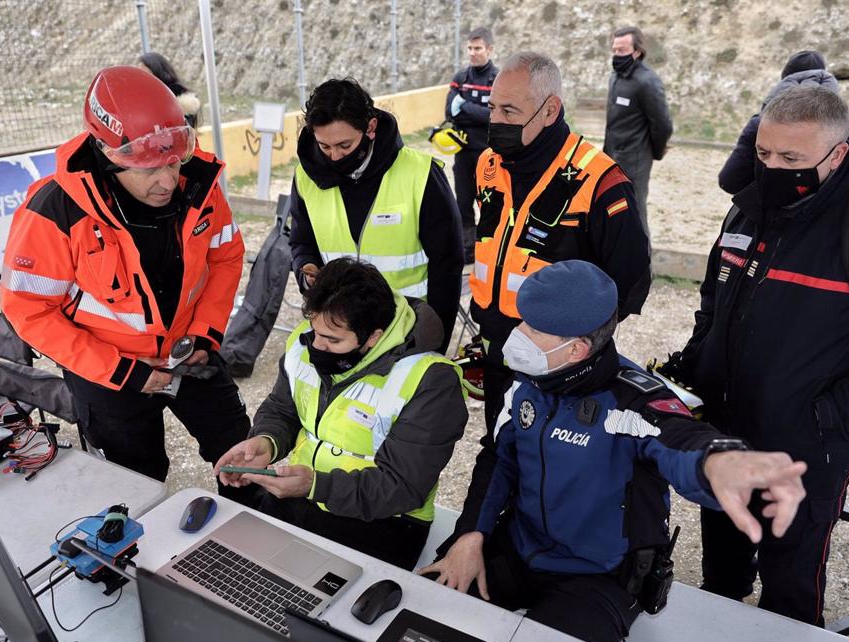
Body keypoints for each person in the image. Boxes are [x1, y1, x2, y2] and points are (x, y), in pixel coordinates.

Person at [664, 86, 849, 625]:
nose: (773, 169)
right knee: (721, 572)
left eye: (791, 159)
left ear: (838, 154)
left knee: (791, 591)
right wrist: (695, 363)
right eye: (765, 155)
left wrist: (828, 416)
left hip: (807, 452)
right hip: (727, 436)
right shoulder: (747, 210)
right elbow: (715, 300)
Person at [421, 260, 808, 642]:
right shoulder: (525, 385)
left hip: (599, 577)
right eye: (523, 321)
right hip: (520, 549)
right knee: (424, 618)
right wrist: (470, 535)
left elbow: (681, 440)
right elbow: (498, 458)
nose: (517, 335)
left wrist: (721, 462)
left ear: (575, 349)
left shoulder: (633, 404)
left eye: (533, 329)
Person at [0, 66, 253, 503]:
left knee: (242, 457)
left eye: (174, 162)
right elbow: (28, 309)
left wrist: (206, 333)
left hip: (190, 352)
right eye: (150, 169)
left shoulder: (198, 186)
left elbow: (225, 256)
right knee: (135, 486)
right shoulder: (55, 211)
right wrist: (121, 371)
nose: (168, 181)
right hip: (111, 375)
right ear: (108, 154)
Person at [441, 51, 653, 557]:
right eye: (493, 109)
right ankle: (493, 542)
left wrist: (569, 346)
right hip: (499, 350)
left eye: (509, 113)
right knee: (501, 447)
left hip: (558, 363)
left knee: (555, 461)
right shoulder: (489, 164)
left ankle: (556, 554)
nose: (495, 122)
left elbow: (629, 283)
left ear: (550, 110)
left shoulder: (599, 181)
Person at [216, 258, 468, 570]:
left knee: (302, 598)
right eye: (315, 331)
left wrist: (315, 486)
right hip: (302, 493)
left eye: (333, 341)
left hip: (385, 523)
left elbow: (402, 487)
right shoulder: (307, 340)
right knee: (235, 567)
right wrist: (266, 443)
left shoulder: (431, 381)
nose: (317, 346)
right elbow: (283, 408)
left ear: (373, 337)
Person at [289, 78, 463, 353]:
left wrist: (434, 340)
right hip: (339, 337)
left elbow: (447, 265)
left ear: (370, 128)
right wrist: (305, 269)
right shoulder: (305, 178)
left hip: (407, 332)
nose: (334, 156)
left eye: (345, 146)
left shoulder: (421, 174)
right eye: (324, 147)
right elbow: (300, 242)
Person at [718, 49, 849, 195]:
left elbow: (730, 181)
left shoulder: (762, 123)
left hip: (775, 214)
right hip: (838, 217)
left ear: (785, 80)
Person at [602, 26, 673, 234]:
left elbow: (663, 124)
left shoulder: (647, 81)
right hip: (610, 156)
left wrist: (654, 152)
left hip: (635, 162)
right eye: (614, 50)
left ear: (637, 51)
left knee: (635, 215)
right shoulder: (614, 77)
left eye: (622, 50)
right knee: (610, 210)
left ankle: (643, 264)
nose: (616, 55)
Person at [446, 27, 498, 263]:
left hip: (489, 154)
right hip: (463, 154)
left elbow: (493, 116)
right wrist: (475, 113)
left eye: (477, 48)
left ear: (489, 49)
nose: (472, 53)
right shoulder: (461, 78)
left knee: (489, 204)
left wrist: (464, 107)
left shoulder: (498, 79)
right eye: (469, 48)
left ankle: (489, 248)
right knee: (463, 204)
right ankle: (468, 250)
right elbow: (449, 112)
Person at [138, 51, 201, 129]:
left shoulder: (179, 97)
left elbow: (184, 133)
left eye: (146, 76)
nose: (142, 81)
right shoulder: (141, 100)